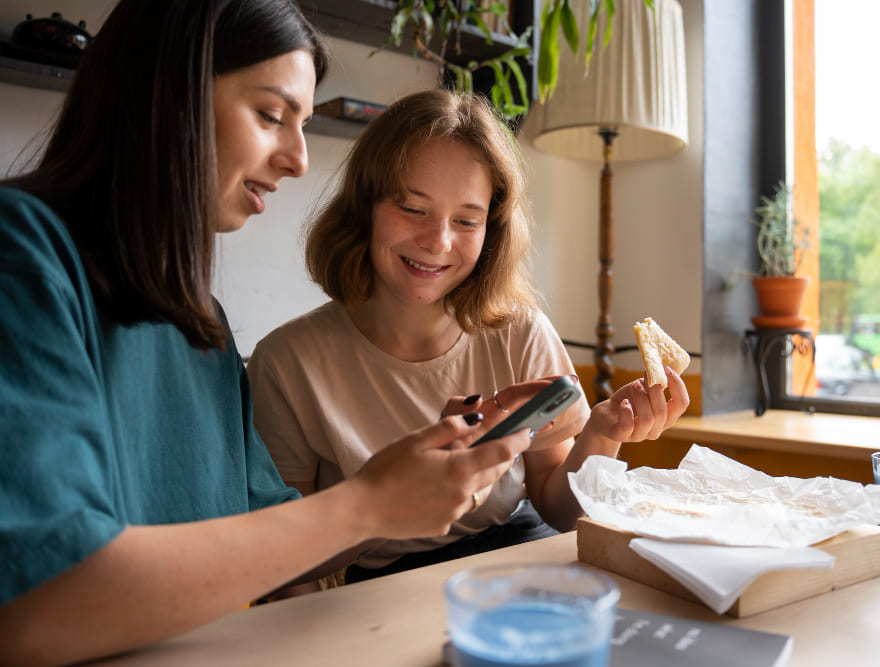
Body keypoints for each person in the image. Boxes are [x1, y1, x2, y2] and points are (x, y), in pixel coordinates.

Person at [0, 2, 536, 664]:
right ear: (168, 95)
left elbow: (275, 542)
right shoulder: (20, 252)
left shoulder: (202, 327)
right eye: (270, 116)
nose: (298, 159)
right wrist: (368, 505)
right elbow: (40, 603)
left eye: (304, 125)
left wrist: (412, 487)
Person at [247, 88, 690, 588]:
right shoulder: (287, 363)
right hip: (382, 589)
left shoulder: (519, 331)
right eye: (412, 209)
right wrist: (389, 506)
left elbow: (561, 509)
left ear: (491, 231)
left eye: (466, 220)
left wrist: (603, 434)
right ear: (364, 206)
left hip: (521, 560)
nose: (438, 241)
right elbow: (284, 561)